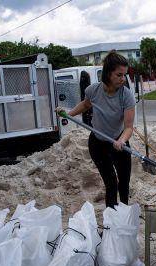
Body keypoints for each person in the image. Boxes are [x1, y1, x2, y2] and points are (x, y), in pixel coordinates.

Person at [55, 50, 136, 209]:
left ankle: (124, 212)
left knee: (124, 181)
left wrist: (121, 140)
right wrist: (68, 113)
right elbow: (85, 105)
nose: (123, 79)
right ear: (108, 73)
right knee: (111, 182)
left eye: (124, 75)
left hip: (119, 141)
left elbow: (128, 127)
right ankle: (110, 218)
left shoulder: (126, 95)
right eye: (119, 75)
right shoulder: (93, 90)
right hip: (98, 144)